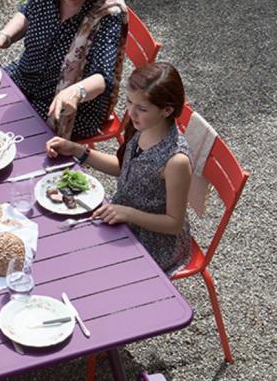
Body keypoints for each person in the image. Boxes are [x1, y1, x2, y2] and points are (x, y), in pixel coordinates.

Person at [45, 62, 192, 275]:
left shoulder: (176, 160)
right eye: (129, 102)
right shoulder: (144, 125)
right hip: (121, 214)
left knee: (85, 263)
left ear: (167, 110)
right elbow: (123, 167)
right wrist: (77, 150)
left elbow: (174, 224)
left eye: (141, 108)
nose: (131, 112)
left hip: (153, 241)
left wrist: (128, 213)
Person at [0, 0, 127, 140]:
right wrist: (2, 38)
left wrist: (76, 92)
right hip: (25, 76)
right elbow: (26, 14)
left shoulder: (107, 14)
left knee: (6, 137)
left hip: (65, 105)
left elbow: (102, 78)